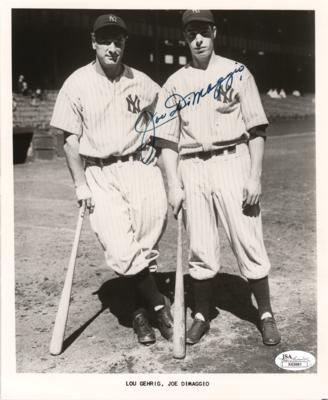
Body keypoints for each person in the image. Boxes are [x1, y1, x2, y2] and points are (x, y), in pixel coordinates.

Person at [154, 10, 281, 346]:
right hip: (192, 165)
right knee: (200, 246)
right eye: (191, 33)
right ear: (184, 37)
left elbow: (256, 128)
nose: (198, 39)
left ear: (214, 33)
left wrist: (255, 176)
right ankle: (201, 314)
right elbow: (166, 140)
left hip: (232, 161)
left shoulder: (237, 72)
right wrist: (172, 184)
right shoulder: (174, 83)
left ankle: (265, 313)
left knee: (248, 239)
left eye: (203, 32)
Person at [50, 13, 173, 346]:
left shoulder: (142, 81)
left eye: (118, 41)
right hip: (100, 171)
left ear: (124, 44)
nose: (112, 47)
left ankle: (136, 311)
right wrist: (80, 184)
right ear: (93, 42)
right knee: (120, 248)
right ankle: (157, 305)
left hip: (140, 167)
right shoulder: (76, 83)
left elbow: (167, 113)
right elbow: (69, 139)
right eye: (105, 40)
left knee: (148, 241)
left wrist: (156, 146)